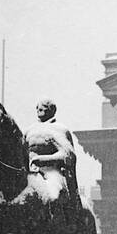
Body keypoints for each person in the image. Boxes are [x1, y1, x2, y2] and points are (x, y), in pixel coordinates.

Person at [25, 97, 80, 226]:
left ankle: (58, 233)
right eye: (38, 107)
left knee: (53, 196)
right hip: (31, 173)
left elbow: (68, 154)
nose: (39, 109)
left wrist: (43, 160)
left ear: (51, 110)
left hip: (52, 172)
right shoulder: (29, 131)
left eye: (43, 107)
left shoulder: (59, 129)